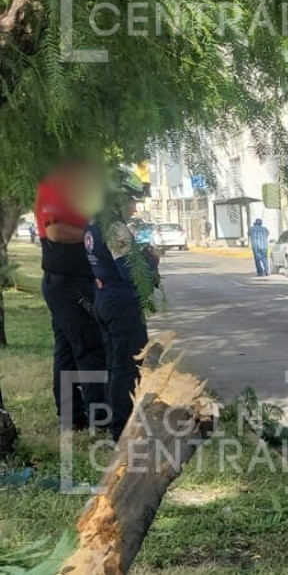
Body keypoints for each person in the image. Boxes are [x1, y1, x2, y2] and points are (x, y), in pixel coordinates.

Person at [35, 159, 106, 431]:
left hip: (68, 280)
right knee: (89, 346)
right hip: (68, 282)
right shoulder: (54, 188)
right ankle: (101, 418)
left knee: (66, 350)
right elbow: (56, 232)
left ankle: (71, 415)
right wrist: (94, 236)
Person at [85, 169, 154, 441]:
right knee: (128, 365)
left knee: (114, 364)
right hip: (120, 301)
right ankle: (124, 429)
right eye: (130, 200)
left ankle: (115, 424)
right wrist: (150, 261)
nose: (134, 207)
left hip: (104, 297)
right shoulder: (113, 228)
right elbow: (130, 271)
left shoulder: (92, 224)